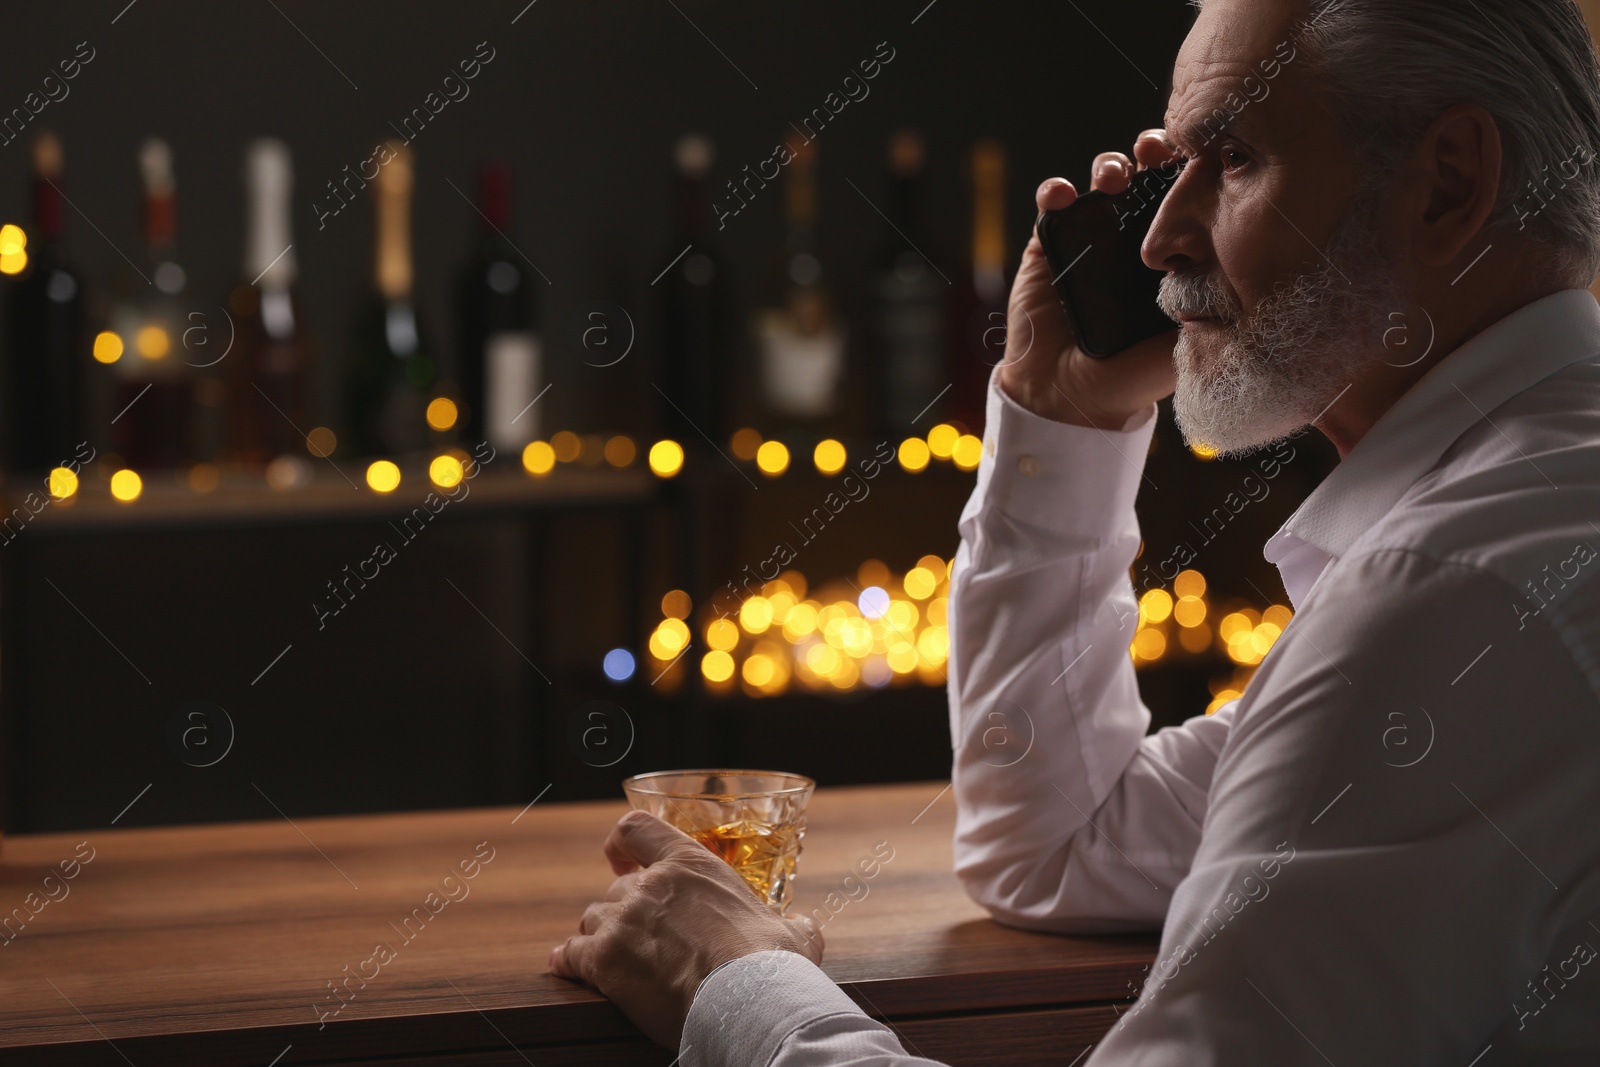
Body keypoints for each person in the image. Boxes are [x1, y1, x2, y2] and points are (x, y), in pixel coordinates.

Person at [549, 0, 1600, 1061]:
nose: (1156, 236)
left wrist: (733, 982)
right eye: (1173, 164)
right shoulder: (1519, 522)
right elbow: (1052, 849)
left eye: (1232, 158)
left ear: (1451, 183)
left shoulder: (1451, 598)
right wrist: (1065, 412)